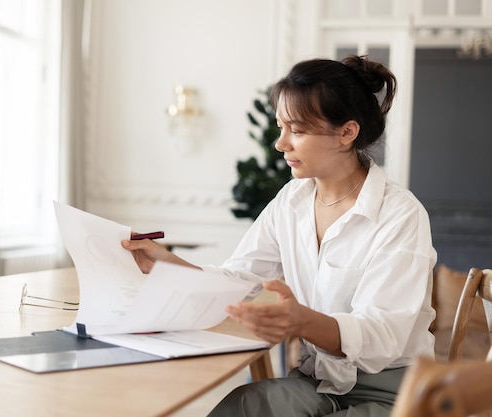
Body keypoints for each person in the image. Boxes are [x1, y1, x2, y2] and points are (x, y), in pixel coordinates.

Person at [121, 55, 437, 417]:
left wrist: (302, 320)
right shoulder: (291, 201)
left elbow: (382, 337)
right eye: (280, 127)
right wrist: (166, 262)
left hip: (392, 392)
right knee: (241, 406)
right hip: (316, 381)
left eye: (297, 130)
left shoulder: (400, 214)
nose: (281, 144)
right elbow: (240, 279)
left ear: (347, 133)